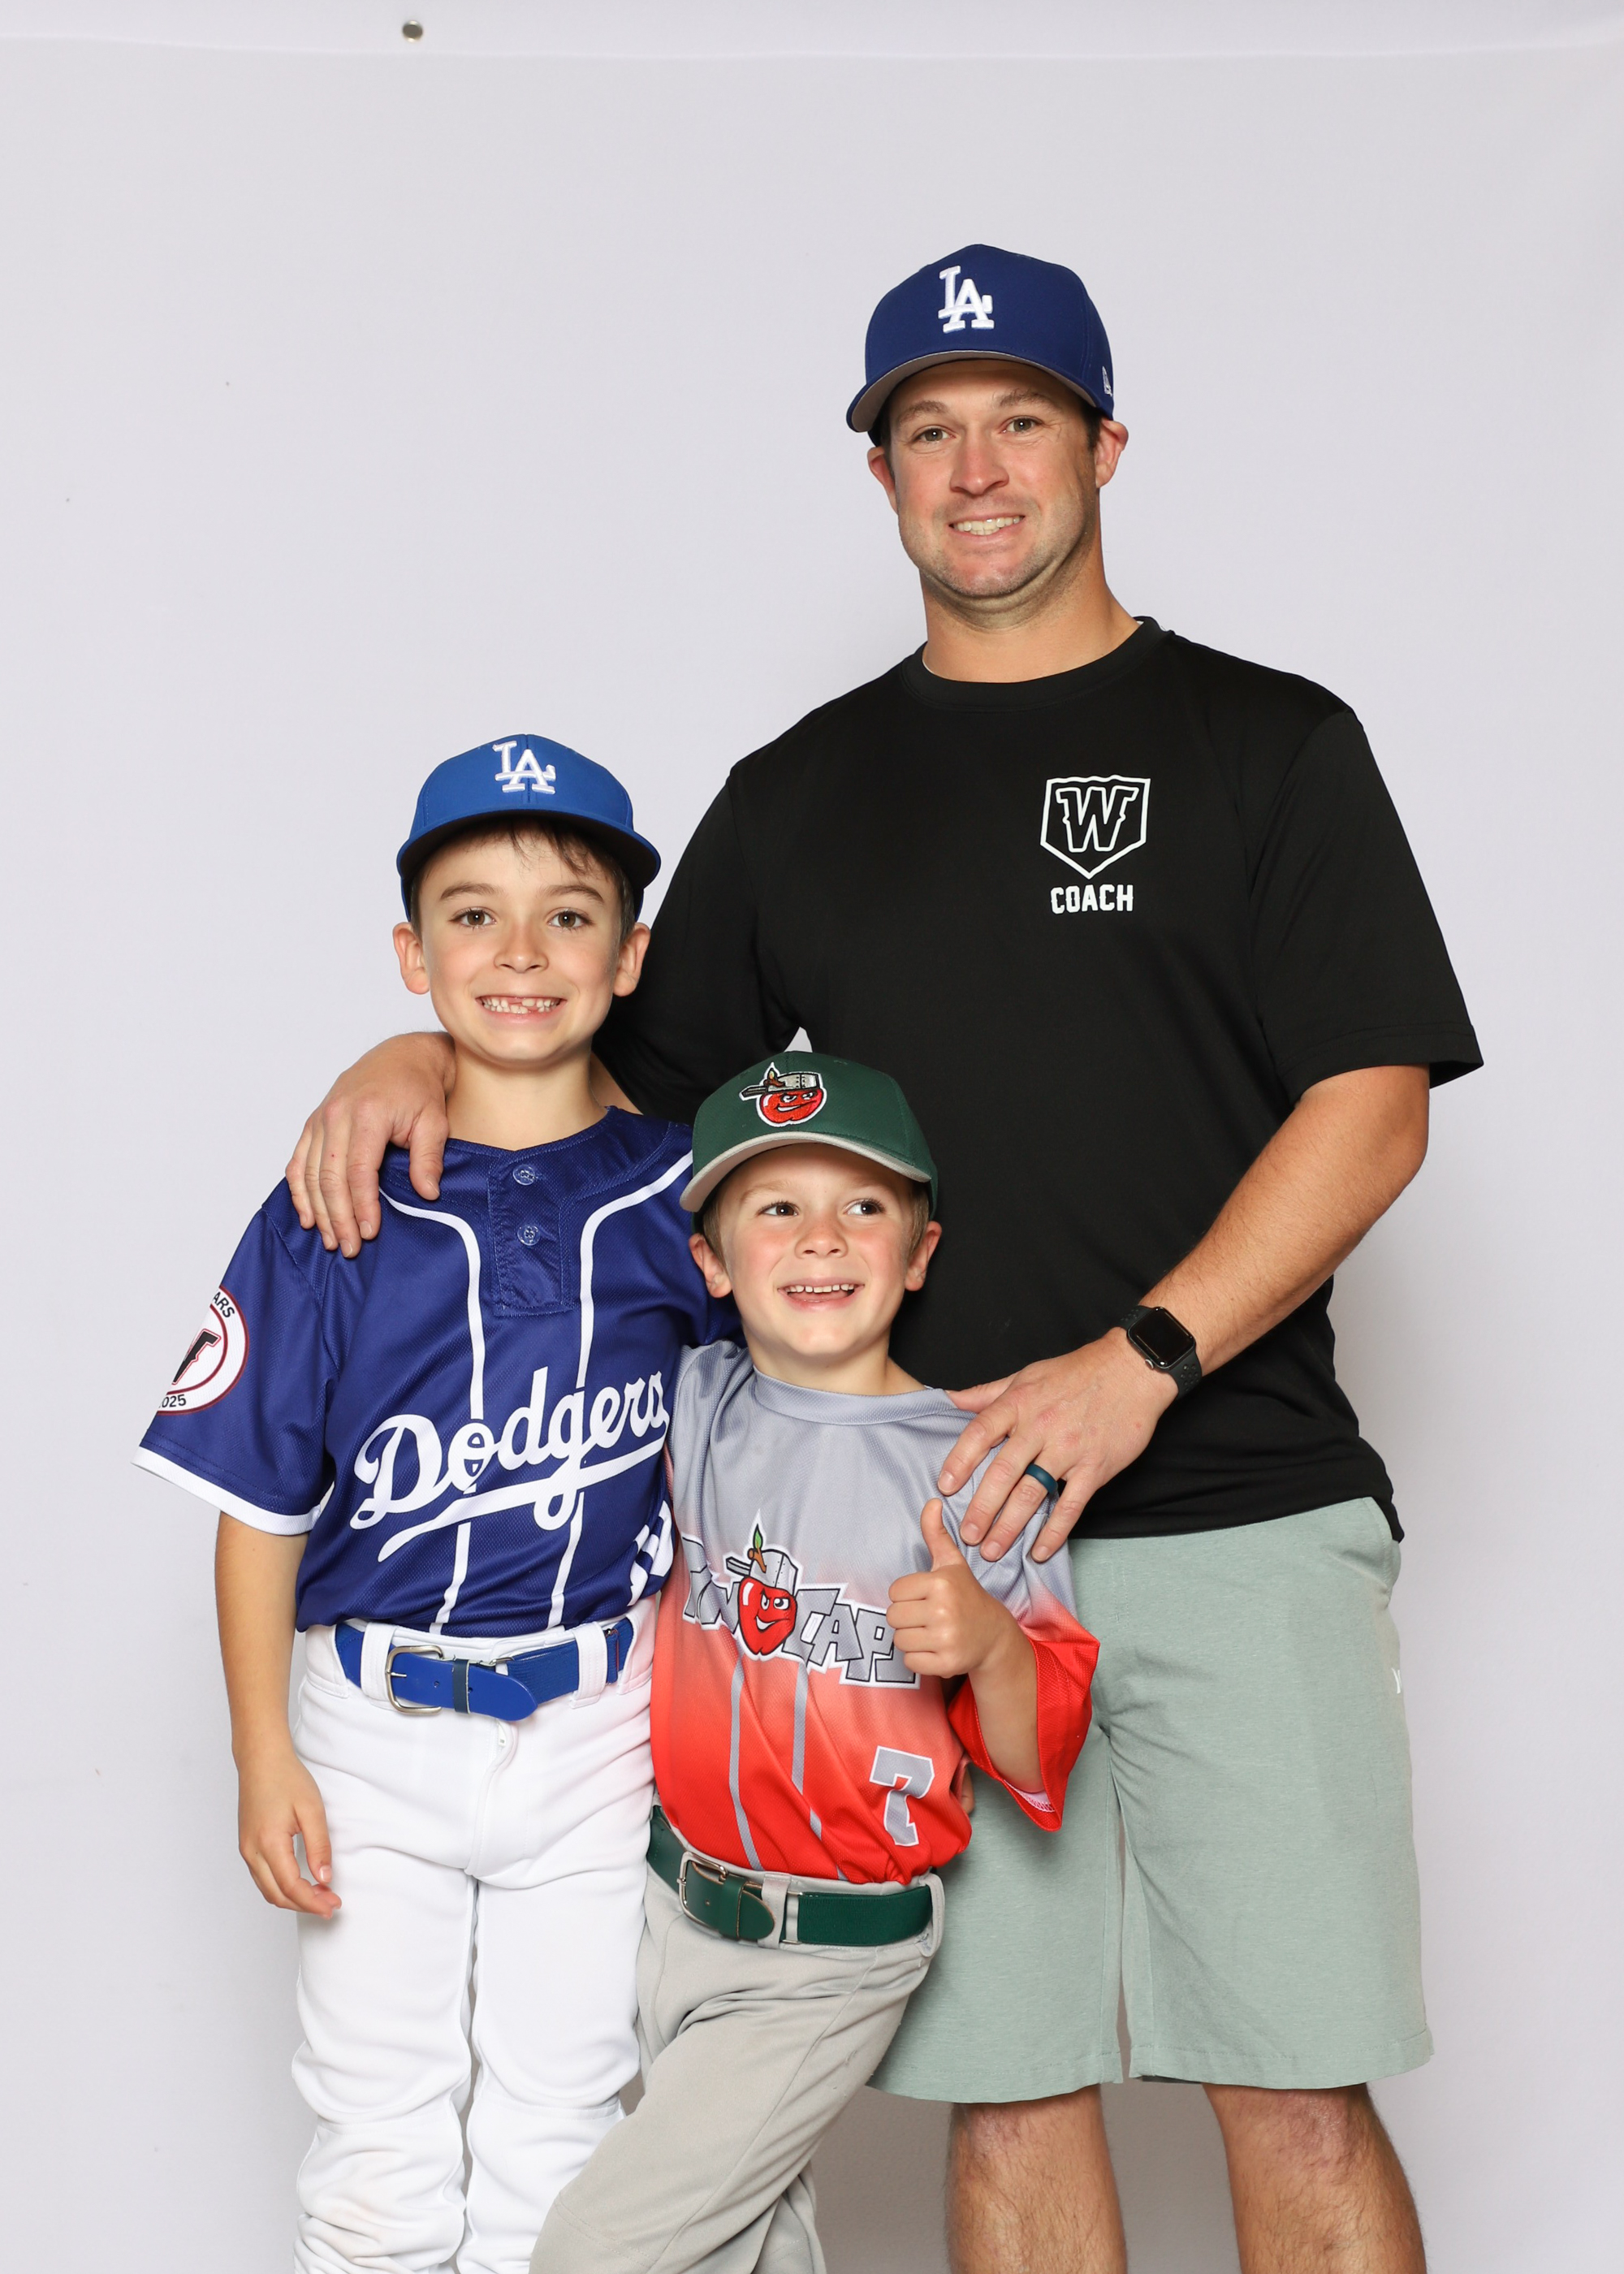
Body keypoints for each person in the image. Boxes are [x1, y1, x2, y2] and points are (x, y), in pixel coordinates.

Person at [287, 247, 1481, 2274]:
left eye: (1020, 420)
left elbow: (1372, 1103)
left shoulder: (1265, 744)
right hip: (904, 1558)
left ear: (1105, 447)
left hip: (1235, 1504)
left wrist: (1139, 1359)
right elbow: (611, 1093)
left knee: (1293, 2081)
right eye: (929, 430)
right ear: (881, 475)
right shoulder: (797, 796)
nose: (977, 467)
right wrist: (417, 1051)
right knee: (1006, 2094)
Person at [136, 737, 734, 2274]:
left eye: (568, 916)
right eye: (473, 916)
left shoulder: (690, 1196)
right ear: (412, 955)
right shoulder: (334, 1195)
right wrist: (261, 1748)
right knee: (376, 2148)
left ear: (630, 957)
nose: (520, 952)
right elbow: (256, 1501)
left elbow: (782, 1435)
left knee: (566, 2134)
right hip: (370, 1724)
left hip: (601, 1723)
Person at [531, 1052, 1097, 2274]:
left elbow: (1038, 1753)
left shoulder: (980, 1463)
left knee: (595, 2251)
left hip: (829, 1946)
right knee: (745, 2248)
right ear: (712, 1262)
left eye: (863, 1205)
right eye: (777, 1207)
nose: (821, 1238)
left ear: (921, 1250)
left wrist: (991, 1644)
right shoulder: (692, 1399)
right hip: (672, 1912)